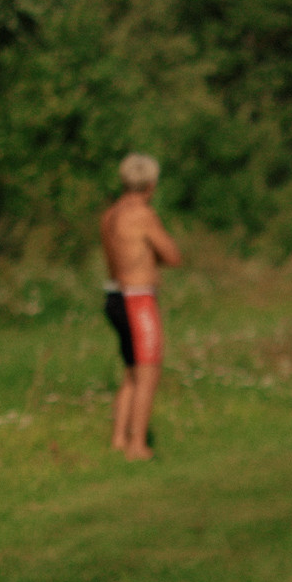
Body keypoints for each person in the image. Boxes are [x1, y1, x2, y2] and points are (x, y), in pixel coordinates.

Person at [100, 153, 183, 461]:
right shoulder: (142, 214)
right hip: (138, 299)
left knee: (131, 372)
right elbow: (172, 255)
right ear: (151, 185)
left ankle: (119, 438)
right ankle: (137, 446)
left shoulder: (109, 215)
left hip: (113, 296)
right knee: (148, 372)